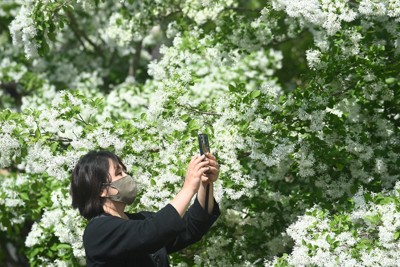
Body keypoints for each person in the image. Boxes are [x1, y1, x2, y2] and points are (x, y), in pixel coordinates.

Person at [70, 150, 220, 267]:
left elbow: (191, 227)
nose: (126, 176)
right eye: (118, 173)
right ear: (101, 190)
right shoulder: (98, 231)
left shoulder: (141, 220)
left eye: (125, 171)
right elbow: (153, 232)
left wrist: (205, 184)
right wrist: (188, 188)